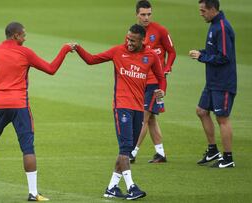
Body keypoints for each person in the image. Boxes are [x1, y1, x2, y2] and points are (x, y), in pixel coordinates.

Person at [0, 22, 73, 201]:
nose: (25, 38)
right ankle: (32, 193)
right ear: (15, 35)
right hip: (20, 106)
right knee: (27, 148)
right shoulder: (25, 53)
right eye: (23, 35)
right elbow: (51, 69)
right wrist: (64, 49)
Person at [73, 24, 166, 200]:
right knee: (125, 149)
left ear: (142, 40)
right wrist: (78, 48)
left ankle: (111, 188)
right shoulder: (118, 51)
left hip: (139, 108)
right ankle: (132, 187)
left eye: (133, 40)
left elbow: (161, 77)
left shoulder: (151, 56)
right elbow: (92, 60)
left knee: (127, 149)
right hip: (122, 106)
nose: (129, 42)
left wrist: (162, 90)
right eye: (128, 38)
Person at [189, 0, 236, 168]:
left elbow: (224, 57)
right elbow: (214, 52)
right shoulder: (214, 25)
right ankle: (213, 151)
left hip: (223, 82)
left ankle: (228, 158)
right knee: (201, 111)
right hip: (212, 82)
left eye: (203, 10)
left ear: (213, 9)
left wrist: (202, 57)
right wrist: (201, 53)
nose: (201, 13)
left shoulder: (222, 28)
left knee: (222, 118)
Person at [130, 0, 176, 164]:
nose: (146, 17)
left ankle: (132, 153)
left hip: (155, 83)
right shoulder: (133, 33)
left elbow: (171, 52)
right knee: (151, 119)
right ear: (136, 14)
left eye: (149, 14)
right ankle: (160, 153)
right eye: (143, 14)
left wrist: (167, 67)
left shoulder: (160, 31)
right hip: (139, 82)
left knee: (143, 117)